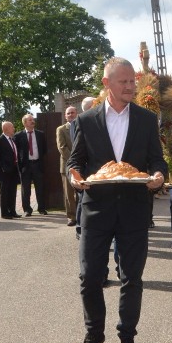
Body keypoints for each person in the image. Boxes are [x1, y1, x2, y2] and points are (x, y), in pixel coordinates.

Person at [68, 57, 167, 343]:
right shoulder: (86, 121)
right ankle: (94, 334)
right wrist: (76, 178)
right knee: (89, 277)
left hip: (135, 210)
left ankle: (127, 338)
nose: (130, 86)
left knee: (132, 278)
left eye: (132, 81)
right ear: (106, 84)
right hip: (96, 210)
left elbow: (156, 161)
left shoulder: (146, 120)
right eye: (123, 81)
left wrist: (159, 177)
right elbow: (75, 162)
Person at [73, 96, 98, 240]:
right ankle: (80, 228)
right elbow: (76, 153)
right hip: (86, 173)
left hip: (95, 174)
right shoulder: (82, 122)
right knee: (82, 202)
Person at [15, 113, 48, 216]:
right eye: (30, 120)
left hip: (37, 164)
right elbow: (16, 152)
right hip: (25, 166)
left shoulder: (40, 134)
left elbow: (44, 149)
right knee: (26, 189)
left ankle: (41, 208)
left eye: (33, 119)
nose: (33, 121)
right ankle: (27, 210)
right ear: (25, 123)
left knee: (40, 188)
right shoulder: (18, 136)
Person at [0, 122, 21, 219]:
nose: (14, 129)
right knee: (4, 192)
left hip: (13, 170)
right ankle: (5, 213)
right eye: (12, 127)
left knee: (12, 191)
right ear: (6, 129)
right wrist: (2, 167)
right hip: (4, 171)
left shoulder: (13, 140)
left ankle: (12, 211)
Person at [56, 106, 79, 226]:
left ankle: (80, 215)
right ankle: (71, 217)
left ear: (77, 113)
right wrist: (74, 159)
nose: (70, 115)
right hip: (67, 165)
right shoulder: (61, 129)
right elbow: (62, 147)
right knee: (69, 193)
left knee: (80, 191)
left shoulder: (82, 127)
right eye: (68, 113)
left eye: (72, 113)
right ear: (65, 116)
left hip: (81, 165)